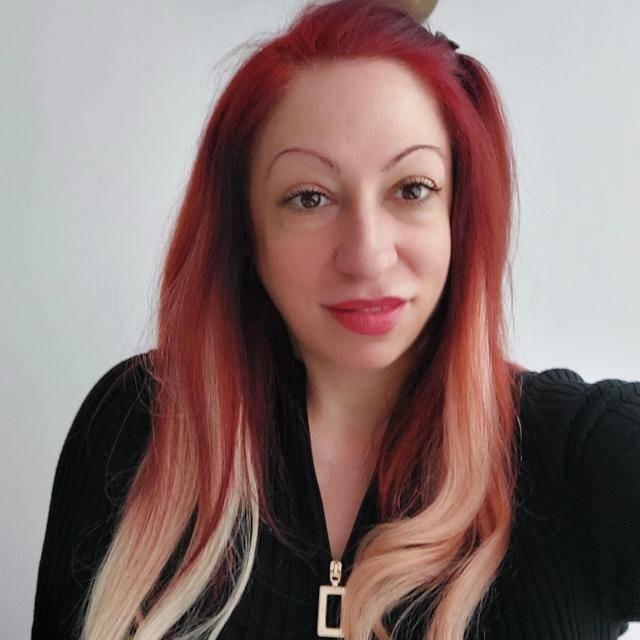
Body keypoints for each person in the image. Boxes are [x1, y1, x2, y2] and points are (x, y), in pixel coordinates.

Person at [32, 0, 640, 638]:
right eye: (309, 198)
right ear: (247, 233)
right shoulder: (136, 425)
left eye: (412, 189)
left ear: (457, 216)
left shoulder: (577, 453)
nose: (367, 255)